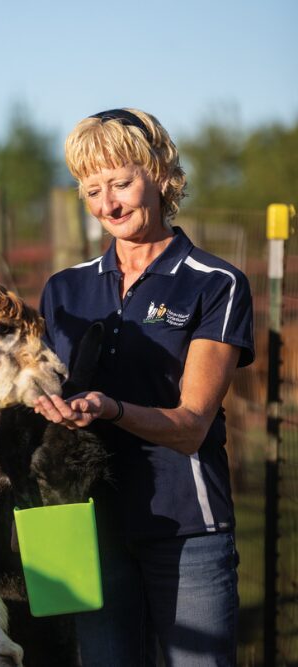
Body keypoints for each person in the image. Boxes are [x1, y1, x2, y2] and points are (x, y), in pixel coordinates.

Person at [34, 108, 254, 666]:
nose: (108, 204)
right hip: (83, 524)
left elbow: (191, 427)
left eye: (120, 183)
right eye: (92, 191)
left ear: (159, 175)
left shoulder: (217, 284)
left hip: (185, 526)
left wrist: (110, 408)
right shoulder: (63, 290)